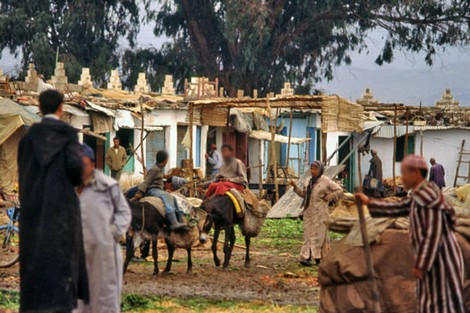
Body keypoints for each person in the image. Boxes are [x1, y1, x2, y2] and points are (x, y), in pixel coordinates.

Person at [355, 154, 465, 313]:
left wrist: (422, 263)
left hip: (440, 260)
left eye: (405, 174)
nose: (402, 179)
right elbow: (398, 207)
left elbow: (433, 233)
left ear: (417, 174)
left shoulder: (427, 196)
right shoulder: (419, 194)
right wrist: (368, 202)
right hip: (434, 260)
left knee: (441, 305)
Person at [17, 89, 89, 312]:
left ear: (39, 108)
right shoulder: (68, 136)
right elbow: (77, 172)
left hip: (32, 214)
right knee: (61, 268)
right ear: (61, 109)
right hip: (61, 215)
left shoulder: (27, 138)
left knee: (33, 264)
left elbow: (22, 173)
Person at [77, 144, 131, 313]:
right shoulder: (68, 188)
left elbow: (124, 213)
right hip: (77, 252)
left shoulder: (108, 186)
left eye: (83, 164)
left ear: (92, 164)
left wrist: (112, 233)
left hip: (104, 253)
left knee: (105, 299)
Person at [291, 161, 343, 266]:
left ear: (320, 170)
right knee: (308, 235)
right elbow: (304, 195)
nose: (313, 171)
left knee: (319, 235)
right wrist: (295, 187)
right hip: (309, 211)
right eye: (312, 169)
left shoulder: (326, 181)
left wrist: (328, 197)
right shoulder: (308, 181)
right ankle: (305, 257)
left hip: (320, 212)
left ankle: (318, 258)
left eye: (315, 169)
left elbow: (339, 190)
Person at [133, 150, 188, 231]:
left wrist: (164, 189)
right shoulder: (154, 169)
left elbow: (159, 182)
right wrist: (139, 193)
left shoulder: (159, 168)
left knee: (173, 198)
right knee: (166, 197)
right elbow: (146, 181)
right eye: (167, 159)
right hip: (153, 190)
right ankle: (173, 222)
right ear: (164, 161)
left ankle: (180, 219)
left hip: (158, 189)